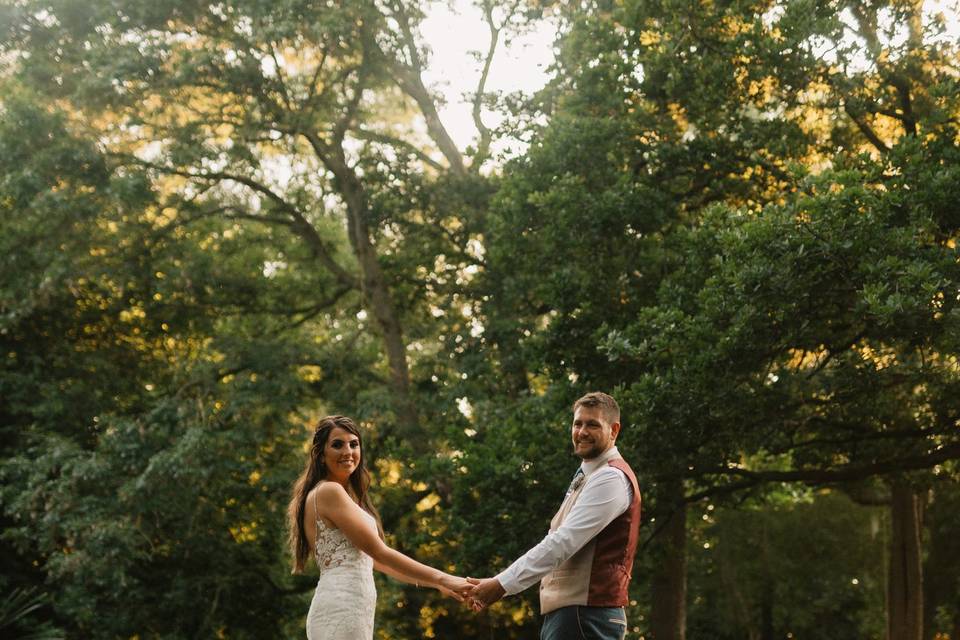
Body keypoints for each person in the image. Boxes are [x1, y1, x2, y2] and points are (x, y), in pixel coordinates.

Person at [466, 392, 641, 640]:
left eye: (592, 424)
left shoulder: (610, 478)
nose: (582, 431)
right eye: (577, 423)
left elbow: (562, 542)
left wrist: (501, 584)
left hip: (585, 617)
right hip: (573, 615)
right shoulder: (590, 474)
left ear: (614, 430)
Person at [288, 415, 472, 640]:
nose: (348, 451)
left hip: (355, 605)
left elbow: (374, 562)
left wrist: (433, 584)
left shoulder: (342, 496)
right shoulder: (329, 492)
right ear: (321, 455)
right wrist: (444, 578)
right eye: (337, 445)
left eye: (354, 444)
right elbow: (380, 552)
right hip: (341, 605)